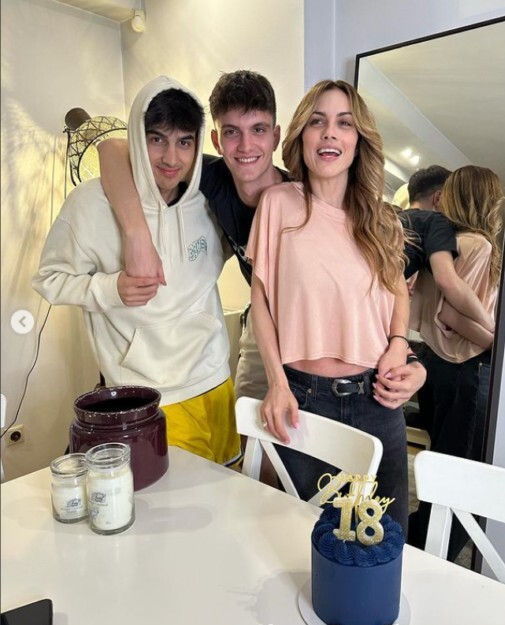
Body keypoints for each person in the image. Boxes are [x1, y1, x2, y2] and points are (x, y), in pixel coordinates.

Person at [34, 76, 239, 465]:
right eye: (157, 139)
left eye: (184, 142)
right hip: (149, 395)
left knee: (230, 486)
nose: (171, 158)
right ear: (135, 139)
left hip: (215, 378)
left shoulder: (208, 198)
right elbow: (49, 279)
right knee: (176, 498)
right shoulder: (90, 204)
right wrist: (111, 289)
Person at [248, 80, 423, 533]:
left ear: (358, 140)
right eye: (317, 122)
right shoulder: (278, 204)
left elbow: (398, 293)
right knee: (299, 538)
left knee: (385, 540)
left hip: (377, 399)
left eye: (344, 123)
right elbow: (260, 302)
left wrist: (400, 345)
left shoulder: (383, 220)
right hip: (301, 402)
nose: (330, 133)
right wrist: (276, 383)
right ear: (302, 136)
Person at [98, 70, 287, 403]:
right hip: (260, 328)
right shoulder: (213, 177)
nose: (245, 146)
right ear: (215, 140)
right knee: (249, 423)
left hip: (311, 333)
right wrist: (137, 235)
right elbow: (111, 149)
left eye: (258, 130)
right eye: (232, 132)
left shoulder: (301, 197)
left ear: (275, 136)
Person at [406, 166, 504, 556]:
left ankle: (420, 543)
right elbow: (451, 314)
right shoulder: (478, 245)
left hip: (438, 367)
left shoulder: (441, 242)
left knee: (443, 467)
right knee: (465, 478)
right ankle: (433, 555)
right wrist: (500, 344)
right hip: (466, 368)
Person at [400, 165, 494, 333]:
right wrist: (493, 328)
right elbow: (447, 281)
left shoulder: (394, 218)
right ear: (439, 197)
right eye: (451, 196)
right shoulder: (436, 222)